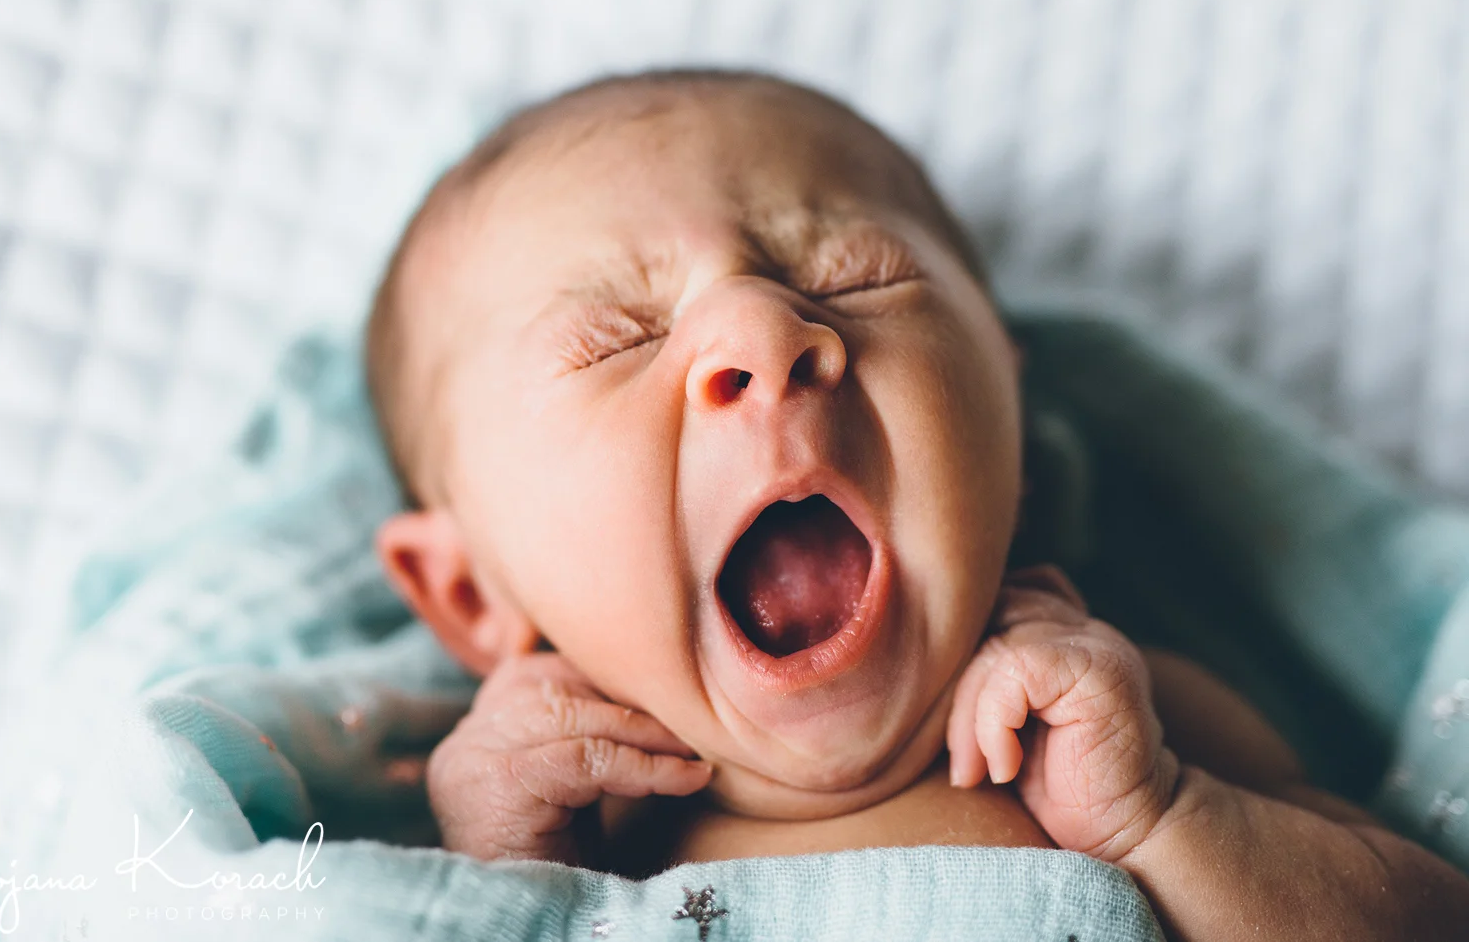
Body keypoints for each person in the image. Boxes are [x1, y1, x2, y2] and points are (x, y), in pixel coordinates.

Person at [364, 69, 1468, 939]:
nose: (763, 333)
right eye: (617, 339)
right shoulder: (564, 847)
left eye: (855, 277)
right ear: (470, 592)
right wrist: (502, 884)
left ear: (1015, 437)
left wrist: (1163, 817)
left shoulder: (1128, 727)